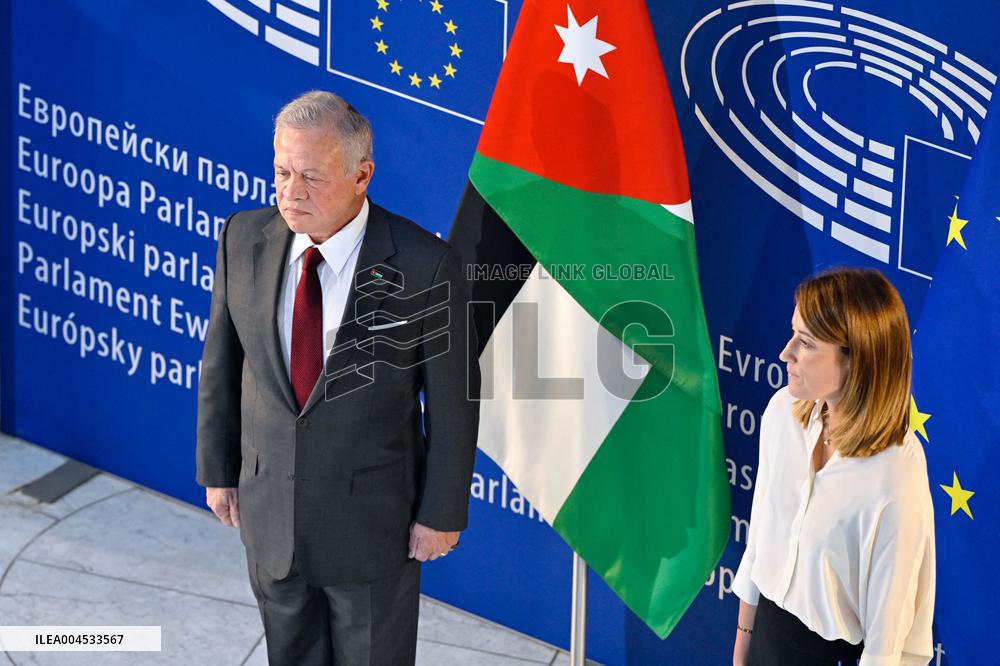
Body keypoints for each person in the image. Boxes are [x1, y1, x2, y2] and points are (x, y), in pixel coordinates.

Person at [195, 90, 480, 665]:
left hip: (372, 532)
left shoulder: (425, 266)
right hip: (271, 514)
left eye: (311, 176)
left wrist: (441, 513)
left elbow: (452, 406)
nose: (290, 192)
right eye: (280, 171)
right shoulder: (242, 238)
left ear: (361, 175)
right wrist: (218, 471)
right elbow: (222, 364)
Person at [732, 268, 935, 666]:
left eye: (805, 343)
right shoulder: (781, 415)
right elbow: (758, 550)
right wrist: (741, 649)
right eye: (793, 334)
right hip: (766, 642)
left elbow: (887, 638)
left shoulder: (895, 473)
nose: (785, 353)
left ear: (856, 359)